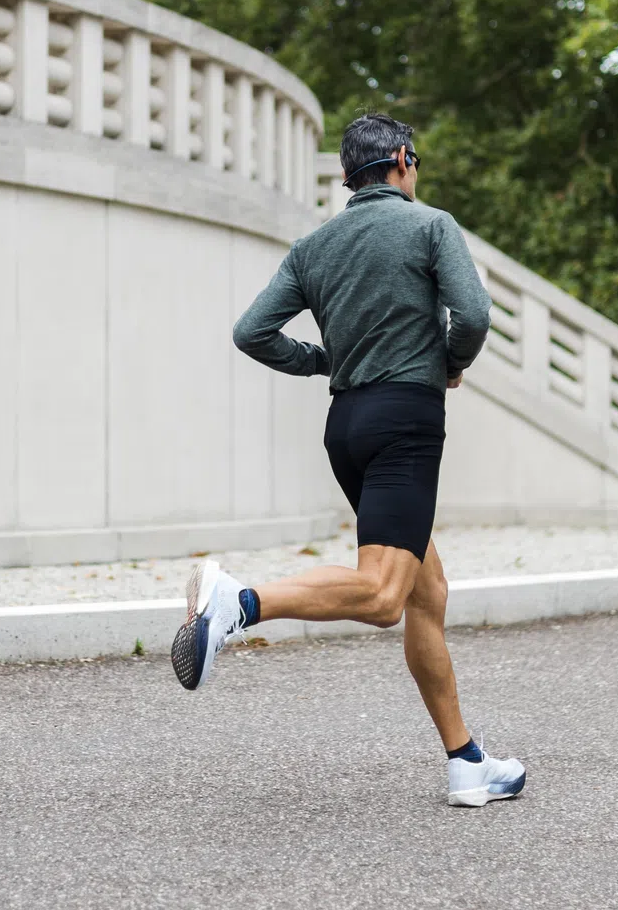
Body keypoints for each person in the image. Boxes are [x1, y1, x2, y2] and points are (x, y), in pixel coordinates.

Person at [168, 112, 527, 808]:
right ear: (400, 159)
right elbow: (475, 317)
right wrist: (447, 364)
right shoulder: (429, 226)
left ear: (346, 178)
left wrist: (321, 361)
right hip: (407, 424)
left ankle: (467, 762)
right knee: (386, 595)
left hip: (348, 427)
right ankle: (238, 604)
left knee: (428, 592)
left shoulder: (314, 247)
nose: (415, 170)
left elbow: (252, 332)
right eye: (414, 159)